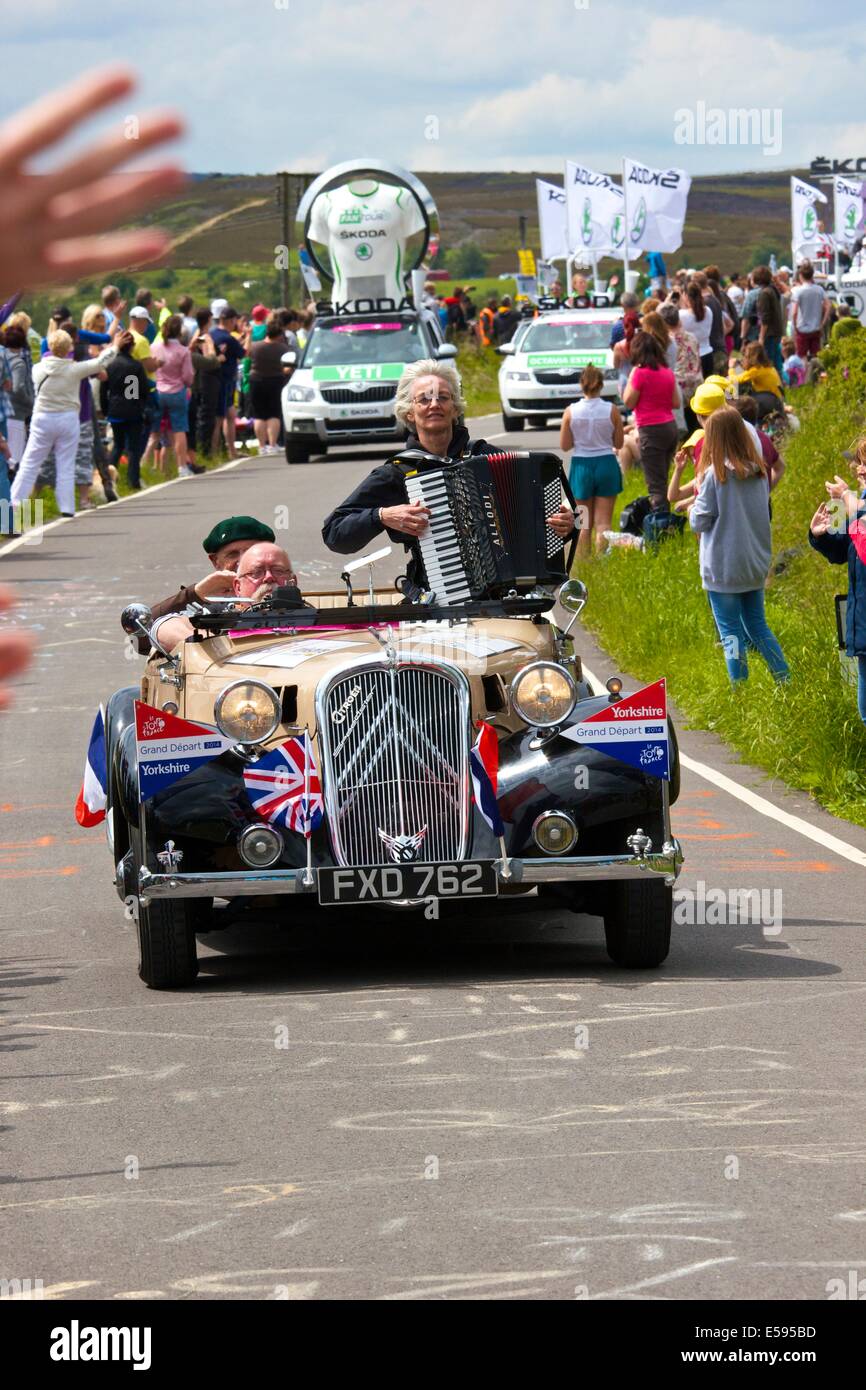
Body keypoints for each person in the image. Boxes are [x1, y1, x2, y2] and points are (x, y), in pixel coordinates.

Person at [322, 359, 575, 593]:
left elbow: (539, 517)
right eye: (424, 399)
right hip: (440, 598)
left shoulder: (484, 456)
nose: (434, 404)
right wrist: (382, 516)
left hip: (507, 593)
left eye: (443, 397)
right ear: (409, 412)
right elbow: (334, 533)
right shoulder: (397, 473)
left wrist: (564, 524)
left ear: (455, 408)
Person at [689, 407, 789, 685]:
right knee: (758, 626)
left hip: (722, 568)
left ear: (713, 439)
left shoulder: (713, 476)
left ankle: (740, 690)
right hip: (753, 564)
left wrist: (692, 505)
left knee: (731, 634)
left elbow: (699, 522)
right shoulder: (759, 473)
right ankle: (784, 679)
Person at [9, 330, 116, 516]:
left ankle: (13, 506)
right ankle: (67, 508)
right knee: (66, 464)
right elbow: (101, 362)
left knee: (29, 464)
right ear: (69, 348)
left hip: (42, 418)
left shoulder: (37, 369)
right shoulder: (74, 370)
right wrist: (116, 346)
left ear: (50, 346)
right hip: (68, 419)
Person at [152, 541, 296, 654]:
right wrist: (218, 647)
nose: (269, 578)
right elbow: (163, 628)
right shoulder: (220, 615)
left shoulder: (314, 612)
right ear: (238, 587)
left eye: (278, 571)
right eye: (256, 572)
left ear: (293, 581)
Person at [809, 440, 866, 724]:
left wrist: (846, 499)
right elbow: (844, 549)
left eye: (864, 463)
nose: (858, 469)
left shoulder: (858, 505)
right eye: (858, 462)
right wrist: (821, 536)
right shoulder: (858, 502)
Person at [559, 365, 624, 553]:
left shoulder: (571, 411)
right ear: (601, 385)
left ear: (582, 384)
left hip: (582, 466)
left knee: (583, 523)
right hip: (606, 464)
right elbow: (619, 443)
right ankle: (602, 564)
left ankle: (583, 567)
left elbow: (564, 445)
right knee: (603, 522)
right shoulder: (612, 410)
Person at [621, 331, 680, 513]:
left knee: (655, 485)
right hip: (670, 427)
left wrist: (631, 380)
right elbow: (676, 402)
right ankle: (666, 519)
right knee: (662, 478)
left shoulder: (639, 373)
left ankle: (660, 526)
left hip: (650, 429)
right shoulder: (667, 372)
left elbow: (628, 401)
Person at [100, 330, 148, 489]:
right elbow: (140, 390)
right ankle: (133, 481)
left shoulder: (110, 365)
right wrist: (141, 406)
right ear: (132, 347)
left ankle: (108, 479)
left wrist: (106, 409)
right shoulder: (135, 366)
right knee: (133, 448)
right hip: (133, 411)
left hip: (115, 410)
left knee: (118, 446)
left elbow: (103, 389)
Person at [151, 314, 195, 475]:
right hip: (177, 391)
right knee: (179, 429)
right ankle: (181, 466)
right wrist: (187, 384)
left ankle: (158, 468)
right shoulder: (183, 351)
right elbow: (188, 376)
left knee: (157, 432)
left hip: (158, 390)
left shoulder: (154, 347)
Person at [210, 305, 247, 458]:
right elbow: (243, 353)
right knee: (219, 418)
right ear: (231, 320)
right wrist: (247, 336)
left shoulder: (211, 335)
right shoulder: (228, 338)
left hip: (215, 379)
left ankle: (229, 449)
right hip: (225, 380)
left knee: (229, 414)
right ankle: (216, 451)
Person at [659, 302, 701, 433]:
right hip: (696, 385)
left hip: (677, 389)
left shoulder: (665, 342)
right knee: (695, 427)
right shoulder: (692, 337)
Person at [250, 314, 288, 454]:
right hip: (275, 381)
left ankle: (261, 446)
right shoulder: (282, 349)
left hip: (256, 381)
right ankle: (272, 444)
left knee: (259, 415)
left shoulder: (255, 347)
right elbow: (287, 366)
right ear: (278, 335)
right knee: (273, 414)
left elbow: (247, 356)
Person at [189, 309, 222, 459]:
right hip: (207, 378)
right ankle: (205, 449)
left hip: (202, 378)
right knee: (207, 415)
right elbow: (209, 359)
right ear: (208, 320)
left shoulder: (196, 334)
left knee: (205, 414)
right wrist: (218, 355)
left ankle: (205, 448)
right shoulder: (204, 336)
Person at [734, 341, 784, 418]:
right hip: (778, 401)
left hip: (770, 400)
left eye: (746, 356)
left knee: (745, 399)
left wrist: (731, 368)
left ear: (752, 357)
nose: (744, 358)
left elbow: (737, 379)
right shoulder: (766, 367)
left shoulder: (756, 370)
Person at [791, 261, 829, 360]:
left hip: (802, 328)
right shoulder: (819, 289)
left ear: (800, 276)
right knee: (816, 355)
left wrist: (795, 326)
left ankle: (804, 375)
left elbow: (794, 312)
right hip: (816, 327)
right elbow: (828, 305)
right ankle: (816, 374)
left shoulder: (798, 291)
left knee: (802, 356)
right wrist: (822, 323)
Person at [752, 265, 785, 376]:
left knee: (768, 361)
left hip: (769, 333)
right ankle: (780, 384)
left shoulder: (764, 293)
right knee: (776, 361)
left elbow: (764, 318)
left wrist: (761, 337)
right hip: (777, 330)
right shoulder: (773, 289)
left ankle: (772, 385)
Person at [679, 281, 714, 378]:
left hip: (692, 359)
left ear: (685, 295)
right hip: (707, 354)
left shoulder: (682, 315)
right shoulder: (708, 311)